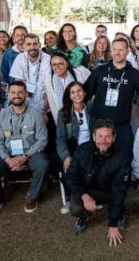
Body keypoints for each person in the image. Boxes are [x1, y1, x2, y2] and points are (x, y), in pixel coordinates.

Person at [0, 81, 49, 215]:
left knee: (43, 164)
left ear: (26, 94)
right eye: (13, 92)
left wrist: (25, 157)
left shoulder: (36, 114)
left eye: (20, 92)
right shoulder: (2, 115)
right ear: (8, 95)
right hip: (8, 153)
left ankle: (32, 197)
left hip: (30, 153)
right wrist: (7, 159)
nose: (16, 95)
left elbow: (42, 139)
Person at [66, 121, 139, 245]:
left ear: (114, 137)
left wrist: (113, 224)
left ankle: (118, 214)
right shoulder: (82, 150)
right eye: (100, 136)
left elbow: (119, 189)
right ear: (94, 137)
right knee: (76, 208)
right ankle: (84, 216)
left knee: (134, 199)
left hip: (111, 191)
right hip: (88, 191)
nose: (103, 141)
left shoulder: (122, 155)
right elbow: (70, 176)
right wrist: (84, 196)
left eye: (107, 136)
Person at [83, 37, 139, 155]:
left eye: (121, 50)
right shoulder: (99, 71)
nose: (117, 53)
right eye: (114, 49)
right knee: (96, 158)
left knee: (124, 158)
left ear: (127, 51)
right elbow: (85, 93)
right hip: (98, 124)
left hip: (121, 126)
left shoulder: (135, 74)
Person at [55, 81, 94, 214]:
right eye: (73, 92)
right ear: (69, 96)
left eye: (79, 91)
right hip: (73, 149)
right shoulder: (63, 113)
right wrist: (66, 156)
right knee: (69, 170)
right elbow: (60, 138)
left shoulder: (92, 108)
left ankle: (92, 195)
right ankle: (71, 199)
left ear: (84, 93)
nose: (77, 94)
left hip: (91, 147)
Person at [42, 53, 90, 124]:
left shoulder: (80, 72)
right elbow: (49, 98)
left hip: (84, 112)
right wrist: (44, 111)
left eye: (61, 63)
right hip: (63, 117)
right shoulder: (49, 81)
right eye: (54, 65)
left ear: (67, 64)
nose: (58, 67)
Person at [9, 33, 51, 112]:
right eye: (28, 44)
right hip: (25, 103)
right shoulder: (20, 58)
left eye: (35, 44)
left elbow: (49, 87)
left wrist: (45, 109)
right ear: (24, 46)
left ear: (39, 45)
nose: (32, 47)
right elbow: (18, 84)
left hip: (44, 104)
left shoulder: (47, 59)